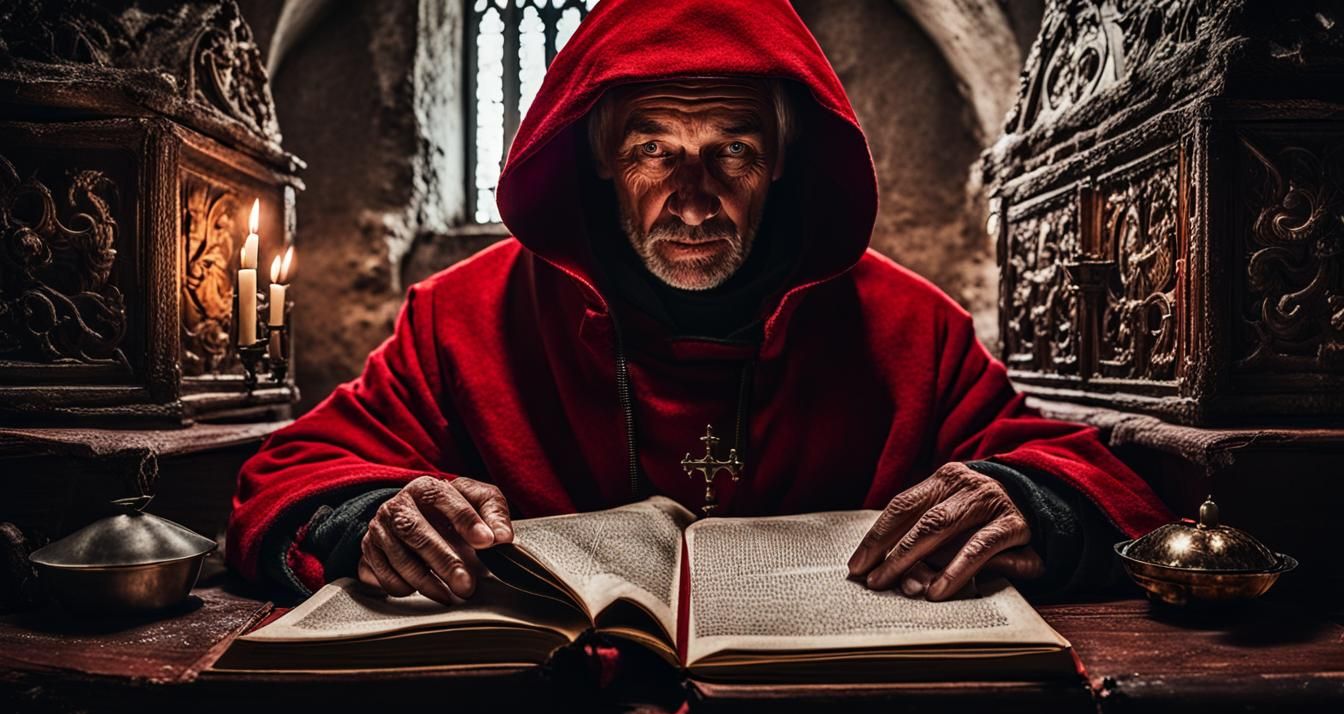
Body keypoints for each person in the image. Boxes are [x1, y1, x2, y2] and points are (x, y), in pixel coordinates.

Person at [227, 0, 1172, 609]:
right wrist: (370, 520)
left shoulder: (910, 329)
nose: (692, 196)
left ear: (783, 164)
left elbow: (1088, 476)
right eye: (653, 150)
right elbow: (291, 473)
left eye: (732, 152)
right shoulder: (461, 319)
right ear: (601, 159)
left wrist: (1026, 503)